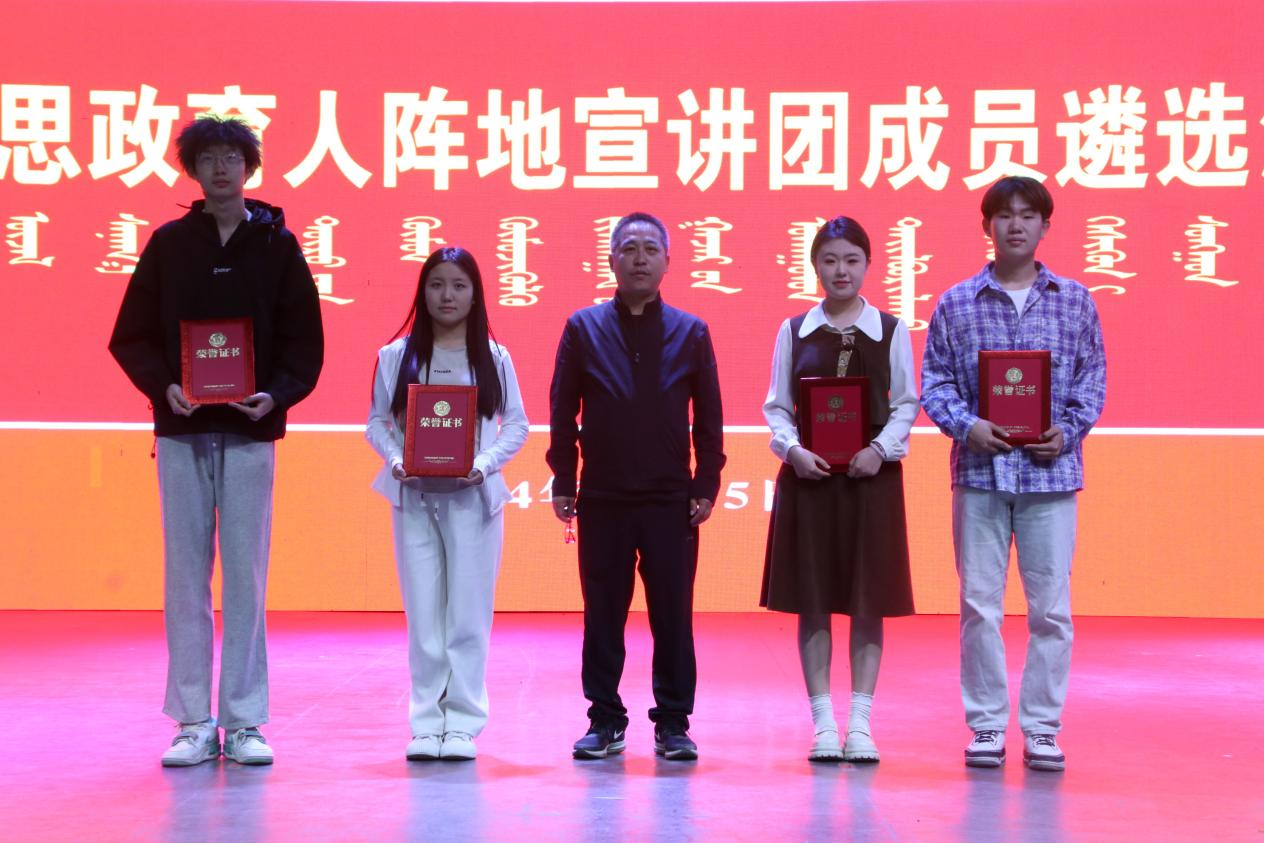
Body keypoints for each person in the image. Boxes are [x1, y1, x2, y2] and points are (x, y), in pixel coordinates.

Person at [108, 114, 324, 767]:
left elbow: (304, 339)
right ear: (193, 170)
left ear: (249, 167)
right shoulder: (169, 244)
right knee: (185, 574)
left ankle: (246, 719)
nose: (221, 168)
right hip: (182, 428)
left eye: (232, 156)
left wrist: (276, 395)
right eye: (209, 158)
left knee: (247, 574)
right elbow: (131, 335)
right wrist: (164, 387)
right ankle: (193, 721)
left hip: (251, 428)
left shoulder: (277, 245)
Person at [921, 176, 1106, 772]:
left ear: (1045, 226)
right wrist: (966, 425)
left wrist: (1067, 431)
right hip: (980, 473)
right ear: (988, 226)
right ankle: (986, 725)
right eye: (1005, 215)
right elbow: (935, 383)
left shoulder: (1075, 300)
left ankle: (1043, 728)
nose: (1016, 225)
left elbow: (1092, 381)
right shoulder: (956, 302)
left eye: (1028, 215)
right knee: (979, 606)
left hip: (1051, 478)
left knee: (1050, 610)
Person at [547, 212, 725, 761]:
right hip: (603, 495)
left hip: (671, 499)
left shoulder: (692, 332)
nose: (640, 258)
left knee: (673, 614)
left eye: (650, 249)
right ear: (611, 261)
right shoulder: (583, 328)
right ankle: (604, 718)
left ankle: (673, 722)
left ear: (668, 261)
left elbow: (710, 416)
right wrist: (564, 478)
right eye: (629, 248)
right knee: (602, 613)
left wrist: (706, 481)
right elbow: (562, 409)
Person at [760, 216, 918, 763]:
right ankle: (824, 724)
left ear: (868, 264)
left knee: (868, 601)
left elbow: (906, 404)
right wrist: (792, 450)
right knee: (814, 601)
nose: (841, 270)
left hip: (872, 480)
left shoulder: (891, 330)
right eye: (829, 260)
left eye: (851, 259)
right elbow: (777, 407)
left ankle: (861, 725)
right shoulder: (794, 330)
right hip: (811, 480)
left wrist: (881, 448)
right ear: (815, 266)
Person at [366, 247, 528, 762]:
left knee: (468, 615)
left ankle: (462, 724)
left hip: (474, 500)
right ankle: (425, 724)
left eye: (459, 285)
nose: (447, 295)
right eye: (436, 284)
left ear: (475, 294)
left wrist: (481, 464)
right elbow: (377, 423)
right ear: (423, 292)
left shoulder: (494, 358)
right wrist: (397, 460)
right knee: (423, 615)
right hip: (414, 499)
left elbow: (517, 425)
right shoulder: (395, 356)